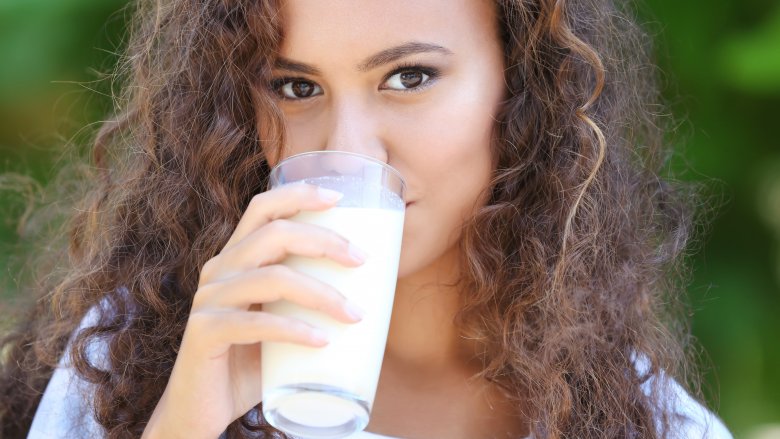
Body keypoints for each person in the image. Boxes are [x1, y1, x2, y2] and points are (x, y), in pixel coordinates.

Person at [0, 0, 734, 437]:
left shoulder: (655, 424)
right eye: (293, 86)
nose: (346, 149)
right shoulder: (138, 358)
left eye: (409, 77)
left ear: (523, 86)